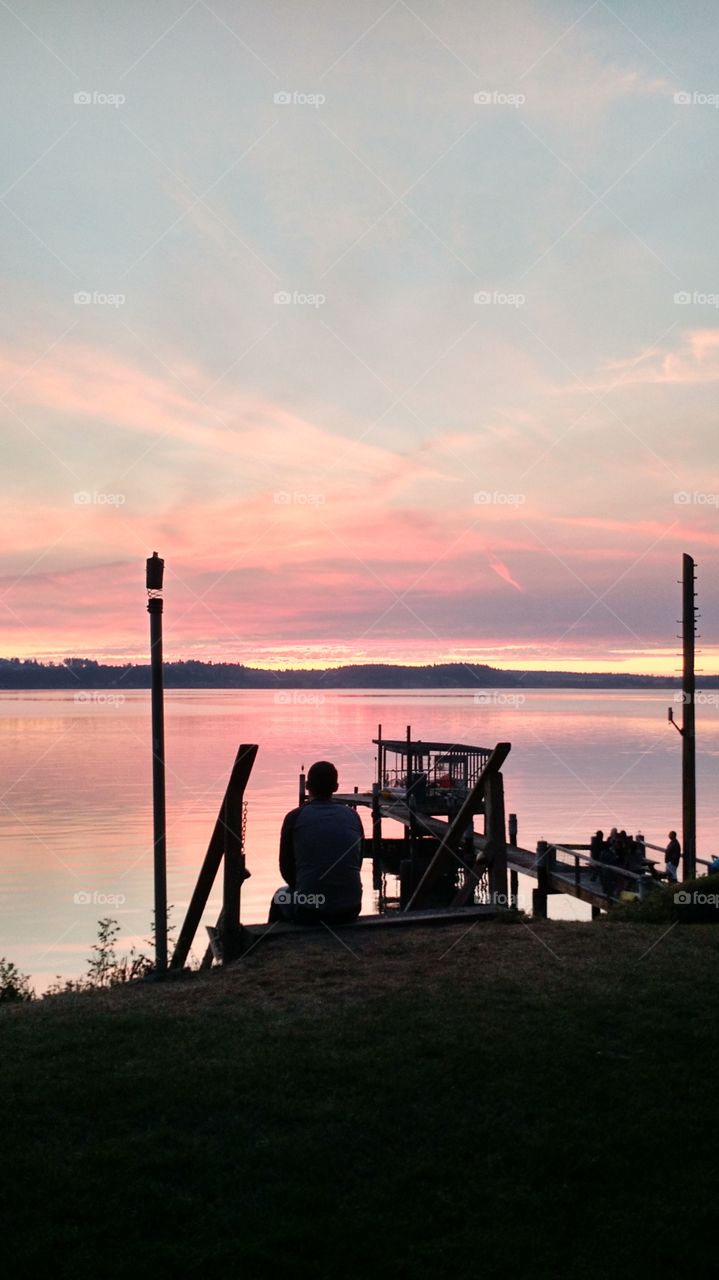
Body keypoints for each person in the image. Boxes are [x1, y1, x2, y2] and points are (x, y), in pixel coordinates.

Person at [269, 760, 364, 925]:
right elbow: (358, 861)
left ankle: (274, 945)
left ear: (307, 786)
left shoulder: (294, 817)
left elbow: (286, 871)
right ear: (336, 787)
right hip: (351, 907)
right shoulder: (353, 816)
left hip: (310, 910)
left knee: (280, 896)